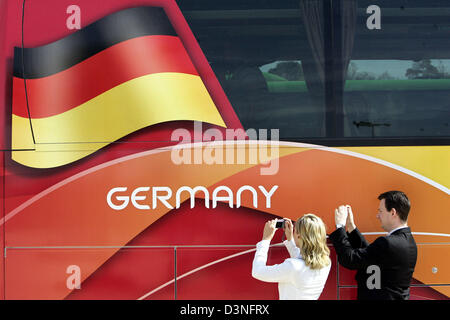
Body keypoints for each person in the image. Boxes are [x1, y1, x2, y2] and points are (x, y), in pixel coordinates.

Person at [329, 191, 418, 300]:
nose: (377, 215)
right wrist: (351, 227)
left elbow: (350, 259)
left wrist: (340, 227)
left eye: (380, 211)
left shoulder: (388, 243)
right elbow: (371, 255)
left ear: (393, 212)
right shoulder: (409, 242)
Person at [252, 214, 331, 300]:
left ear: (299, 236)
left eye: (295, 231)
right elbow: (301, 262)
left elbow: (258, 271)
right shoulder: (326, 262)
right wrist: (290, 240)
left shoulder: (293, 266)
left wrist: (265, 240)